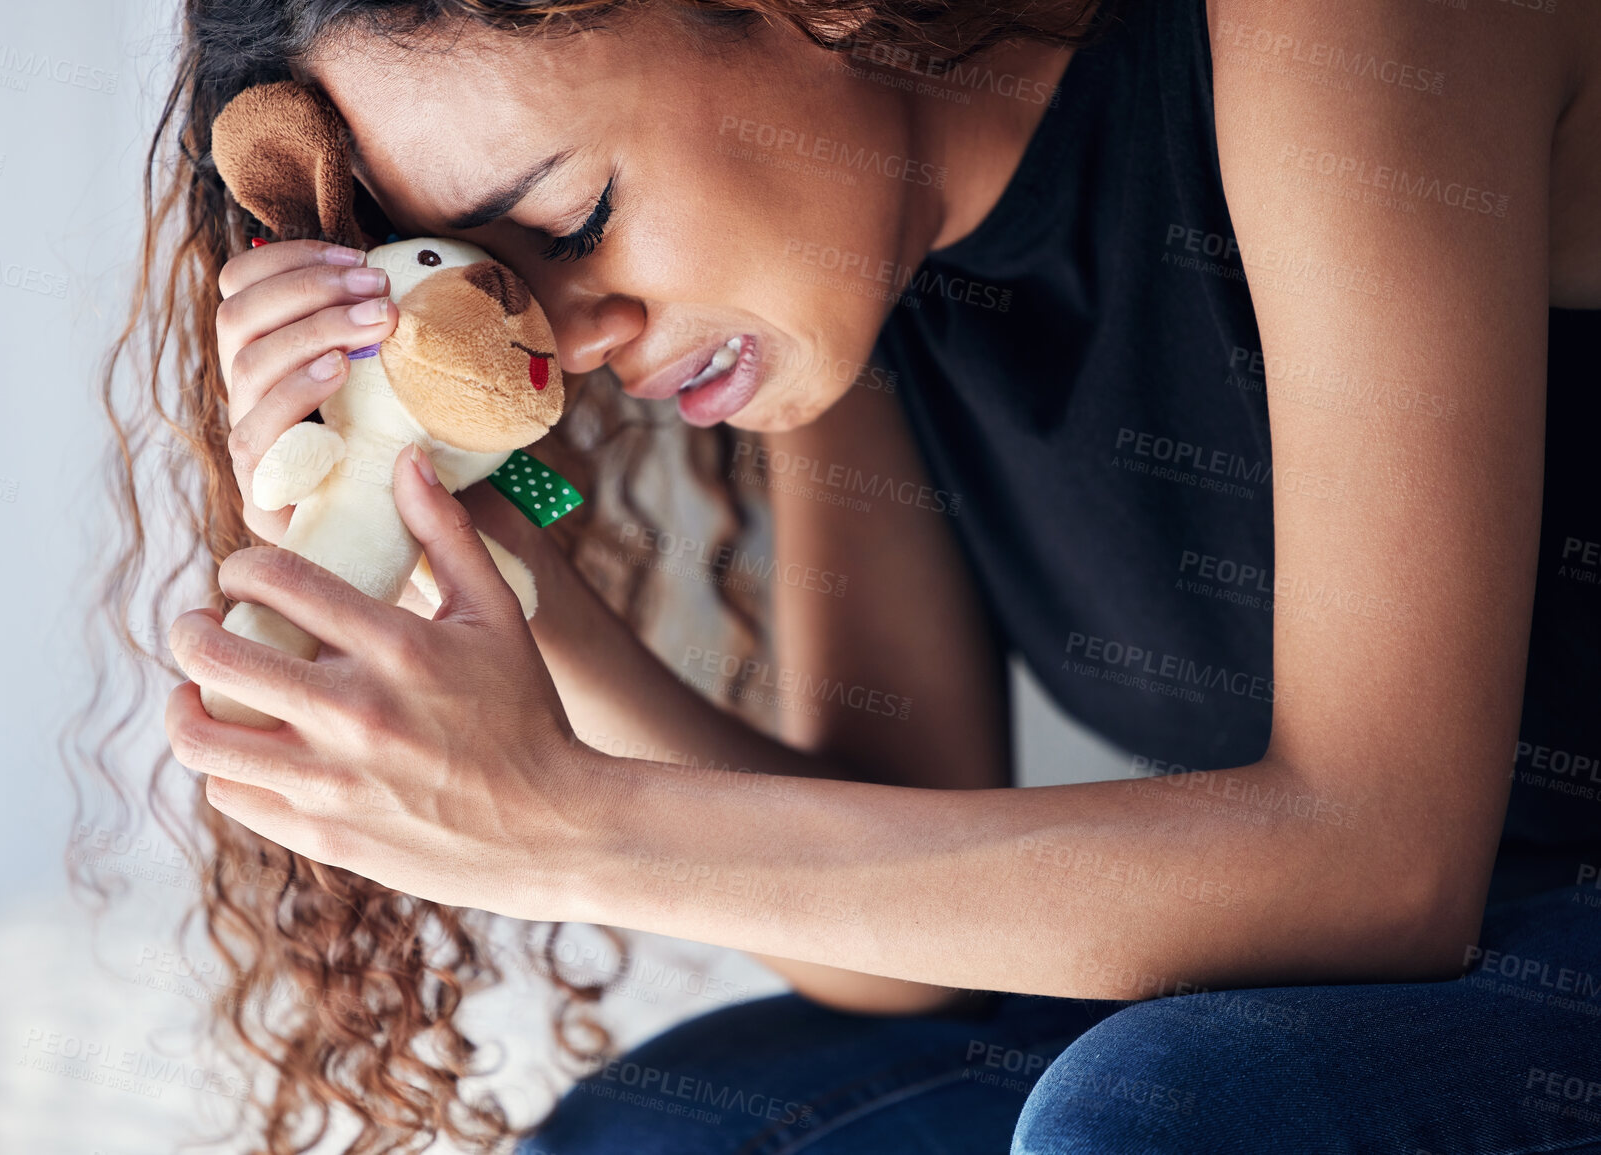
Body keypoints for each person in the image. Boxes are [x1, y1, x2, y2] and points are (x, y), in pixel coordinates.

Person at [128, 0, 1601, 1149]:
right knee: (655, 1142)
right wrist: (473, 520)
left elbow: (1383, 870)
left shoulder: (1333, 37)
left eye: (574, 223)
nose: (574, 347)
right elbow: (888, 950)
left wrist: (568, 830)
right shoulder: (849, 272)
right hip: (1394, 990)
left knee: (1161, 1115)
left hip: (1479, 941)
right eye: (501, 273)